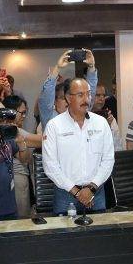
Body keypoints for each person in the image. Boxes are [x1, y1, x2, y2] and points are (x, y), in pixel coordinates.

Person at [43, 78, 115, 214]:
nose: (86, 99)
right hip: (65, 194)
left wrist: (91, 188)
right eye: (80, 95)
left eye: (88, 94)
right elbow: (50, 165)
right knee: (65, 229)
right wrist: (77, 192)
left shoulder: (101, 123)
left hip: (96, 193)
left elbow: (108, 160)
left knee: (100, 228)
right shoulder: (54, 126)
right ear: (68, 98)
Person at [38, 50, 98, 133]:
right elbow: (46, 97)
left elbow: (89, 91)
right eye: (63, 98)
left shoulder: (82, 112)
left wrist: (91, 66)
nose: (67, 100)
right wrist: (57, 68)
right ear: (54, 101)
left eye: (71, 96)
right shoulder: (50, 118)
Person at [4, 95, 42, 218]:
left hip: (19, 178)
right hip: (18, 180)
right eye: (22, 113)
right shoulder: (14, 131)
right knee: (22, 218)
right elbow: (42, 141)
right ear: (11, 112)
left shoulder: (10, 129)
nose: (24, 116)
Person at [92, 84, 124, 150]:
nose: (102, 99)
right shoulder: (83, 118)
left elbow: (118, 146)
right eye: (98, 95)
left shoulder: (110, 118)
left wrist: (108, 126)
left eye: (104, 95)